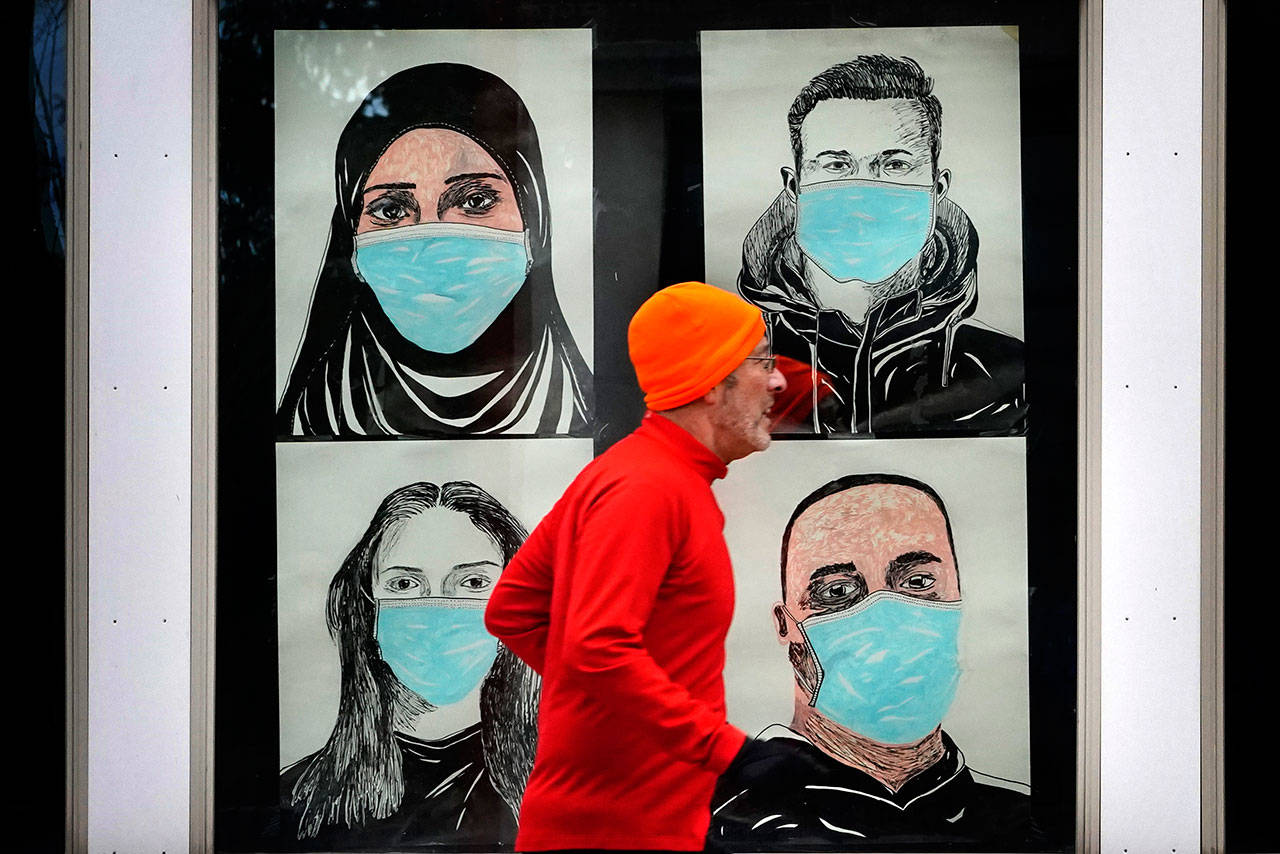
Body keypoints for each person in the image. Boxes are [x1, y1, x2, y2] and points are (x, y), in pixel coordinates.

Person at [484, 281, 786, 852]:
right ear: (709, 385)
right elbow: (598, 647)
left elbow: (514, 609)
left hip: (636, 821)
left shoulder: (644, 475)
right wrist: (728, 751)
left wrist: (610, 701)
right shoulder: (647, 488)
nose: (777, 381)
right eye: (760, 362)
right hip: (615, 830)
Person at [708, 474, 1032, 850]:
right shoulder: (722, 823)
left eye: (919, 581)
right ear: (787, 626)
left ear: (958, 593)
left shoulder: (1019, 820)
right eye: (838, 590)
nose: (888, 621)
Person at [276, 63, 592, 438]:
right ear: (352, 236)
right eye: (391, 210)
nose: (432, 240)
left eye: (475, 200)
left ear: (533, 222)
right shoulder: (314, 421)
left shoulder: (593, 421)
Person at [738, 55, 1027, 436]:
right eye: (836, 166)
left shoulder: (1001, 371)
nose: (862, 196)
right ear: (794, 187)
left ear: (937, 189)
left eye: (893, 165)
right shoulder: (739, 363)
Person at [279, 481, 540, 849]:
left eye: (473, 582)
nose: (437, 606)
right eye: (404, 583)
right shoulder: (298, 800)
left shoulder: (566, 786)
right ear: (368, 608)